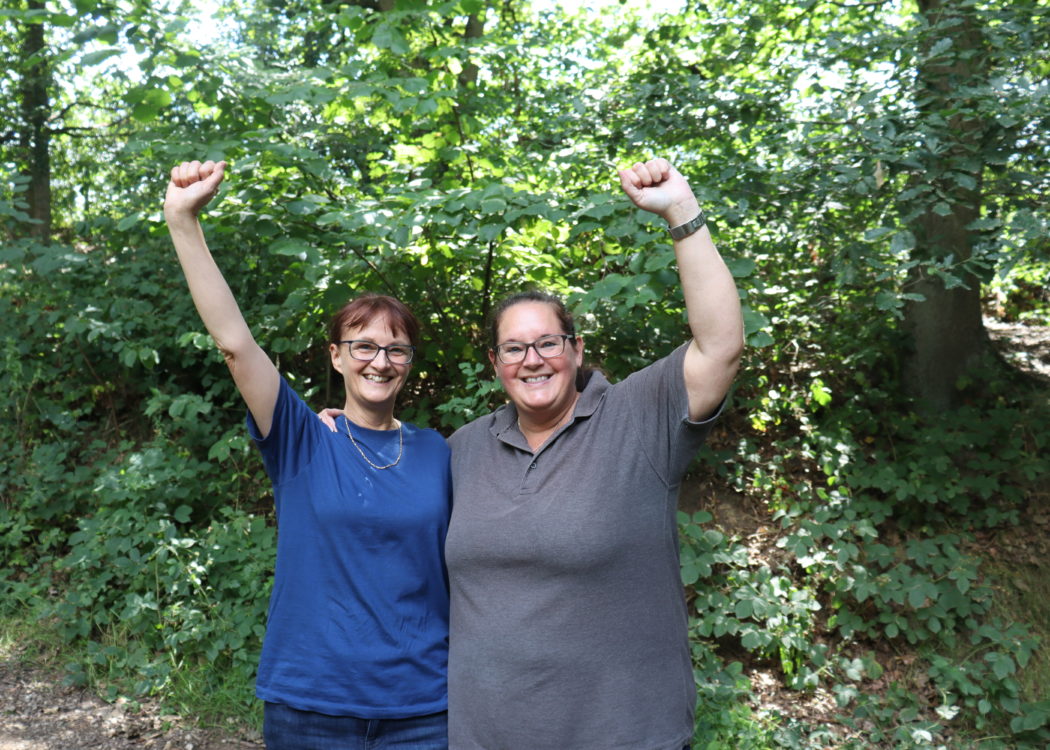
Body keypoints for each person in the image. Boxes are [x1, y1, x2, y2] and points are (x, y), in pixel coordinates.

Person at [319, 157, 742, 749]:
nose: (532, 359)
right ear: (495, 365)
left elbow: (720, 345)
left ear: (576, 349)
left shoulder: (639, 419)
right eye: (513, 348)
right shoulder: (463, 449)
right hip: (485, 736)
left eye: (547, 342)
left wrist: (680, 210)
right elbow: (394, 505)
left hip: (623, 734)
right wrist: (346, 432)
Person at [164, 159, 452, 750]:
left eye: (396, 350)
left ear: (409, 364)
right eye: (363, 346)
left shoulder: (439, 452)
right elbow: (235, 343)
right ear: (337, 356)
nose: (380, 361)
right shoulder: (301, 438)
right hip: (311, 704)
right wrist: (182, 223)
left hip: (424, 708)